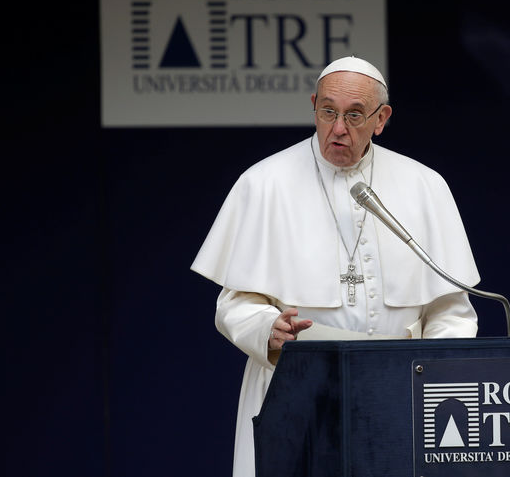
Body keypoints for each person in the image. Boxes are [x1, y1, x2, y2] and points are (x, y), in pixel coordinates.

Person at [191, 56, 480, 477]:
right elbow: (234, 305)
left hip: (398, 396)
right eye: (327, 112)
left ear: (382, 119)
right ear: (313, 105)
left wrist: (433, 377)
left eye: (354, 115)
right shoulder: (264, 183)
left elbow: (451, 311)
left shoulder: (424, 186)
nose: (338, 128)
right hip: (295, 392)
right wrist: (265, 331)